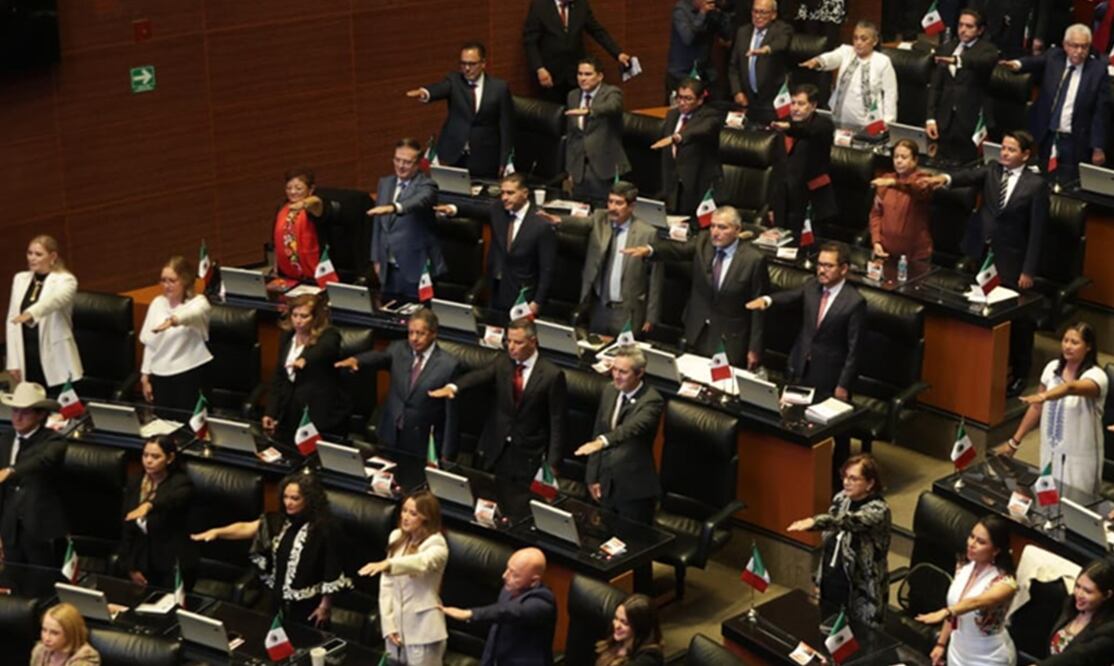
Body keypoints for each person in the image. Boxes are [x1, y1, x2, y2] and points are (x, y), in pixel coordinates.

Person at [928, 130, 1048, 397]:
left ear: (1025, 155)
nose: (1004, 153)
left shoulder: (1036, 185)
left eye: (1011, 150)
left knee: (1017, 322)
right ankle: (986, 367)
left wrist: (1028, 269)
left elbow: (1037, 233)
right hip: (983, 256)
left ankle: (1019, 373)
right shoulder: (992, 170)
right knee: (982, 309)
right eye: (1003, 148)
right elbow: (966, 176)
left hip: (1014, 261)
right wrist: (943, 178)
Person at [191, 473, 350, 628]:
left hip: (309, 606)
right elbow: (246, 528)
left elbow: (332, 569)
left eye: (295, 499)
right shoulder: (278, 521)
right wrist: (218, 532)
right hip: (276, 598)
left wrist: (325, 606)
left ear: (310, 500)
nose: (288, 503)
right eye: (285, 497)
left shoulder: (325, 528)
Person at [623, 206, 767, 368]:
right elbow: (678, 250)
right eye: (713, 226)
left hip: (730, 339)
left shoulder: (754, 260)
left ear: (737, 229)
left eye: (722, 227)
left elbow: (758, 308)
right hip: (697, 330)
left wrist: (754, 348)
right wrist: (650, 250)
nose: (715, 232)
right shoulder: (703, 241)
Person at [429, 318, 567, 483]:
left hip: (527, 453)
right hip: (494, 446)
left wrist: (553, 462)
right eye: (509, 341)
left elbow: (557, 421)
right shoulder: (503, 362)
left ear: (533, 342)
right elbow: (479, 376)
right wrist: (453, 387)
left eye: (518, 342)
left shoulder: (552, 375)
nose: (511, 347)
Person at [993, 322, 1107, 495]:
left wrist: (1044, 396)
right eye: (1065, 340)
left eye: (1074, 342)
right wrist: (1014, 442)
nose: (1068, 346)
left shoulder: (1096, 376)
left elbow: (1072, 388)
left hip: (1080, 458)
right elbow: (1036, 408)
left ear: (1089, 347)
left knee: (1076, 509)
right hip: (1050, 451)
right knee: (1047, 501)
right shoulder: (1052, 368)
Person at [746, 241, 865, 401]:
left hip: (828, 375)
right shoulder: (812, 286)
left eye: (828, 266)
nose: (822, 270)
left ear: (843, 269)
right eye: (820, 265)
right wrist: (767, 300)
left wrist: (843, 385)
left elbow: (854, 350)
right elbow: (790, 296)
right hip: (798, 366)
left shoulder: (854, 302)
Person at [335, 309, 460, 459]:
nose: (414, 338)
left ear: (433, 333)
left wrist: (447, 452)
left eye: (420, 333)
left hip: (422, 440)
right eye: (411, 333)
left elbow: (451, 415)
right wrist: (357, 360)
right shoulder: (398, 349)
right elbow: (379, 357)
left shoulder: (448, 365)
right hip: (390, 432)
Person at [787, 453, 891, 626]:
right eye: (844, 477)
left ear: (870, 483)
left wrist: (815, 521)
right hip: (833, 580)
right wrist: (820, 581)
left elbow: (847, 522)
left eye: (853, 478)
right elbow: (829, 544)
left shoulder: (879, 510)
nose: (846, 482)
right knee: (827, 632)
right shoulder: (841, 498)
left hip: (862, 590)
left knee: (858, 642)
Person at [1004, 24, 1110, 185]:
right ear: (1065, 45)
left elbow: (1100, 112)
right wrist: (1017, 64)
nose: (1079, 51)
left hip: (1074, 140)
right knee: (1035, 181)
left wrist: (1098, 147)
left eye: (1084, 46)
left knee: (1067, 184)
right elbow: (1034, 61)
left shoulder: (1097, 70)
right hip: (1045, 134)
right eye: (1075, 46)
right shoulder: (1054, 57)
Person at [436, 172, 556, 315]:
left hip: (522, 295)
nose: (504, 197)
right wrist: (453, 209)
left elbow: (546, 270)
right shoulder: (498, 209)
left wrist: (537, 302)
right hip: (496, 287)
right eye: (503, 192)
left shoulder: (541, 225)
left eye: (510, 193)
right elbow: (474, 209)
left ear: (524, 193)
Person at [576, 348, 665, 526]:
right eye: (614, 369)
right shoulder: (610, 390)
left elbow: (630, 429)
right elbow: (597, 431)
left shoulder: (652, 401)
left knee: (632, 543)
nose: (616, 376)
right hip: (606, 483)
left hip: (633, 489)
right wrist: (592, 477)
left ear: (639, 373)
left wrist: (603, 441)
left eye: (623, 372)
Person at [359, 491, 448, 666]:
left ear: (427, 518)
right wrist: (388, 624)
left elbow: (421, 562)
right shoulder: (397, 537)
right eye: (404, 510)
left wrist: (389, 564)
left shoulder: (437, 545)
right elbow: (387, 587)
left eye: (413, 513)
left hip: (424, 630)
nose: (405, 517)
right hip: (395, 627)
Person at [916, 515, 1018, 666]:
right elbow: (955, 607)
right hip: (958, 650)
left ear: (996, 550)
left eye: (981, 542)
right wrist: (941, 644)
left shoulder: (1006, 582)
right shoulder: (963, 565)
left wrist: (946, 611)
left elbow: (976, 602)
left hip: (989, 656)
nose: (972, 544)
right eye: (971, 537)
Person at [405, 42, 513, 179]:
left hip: (485, 157)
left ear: (483, 63)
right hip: (454, 155)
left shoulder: (500, 88)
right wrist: (425, 93)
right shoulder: (454, 81)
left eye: (472, 64)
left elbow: (506, 127)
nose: (467, 69)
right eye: (463, 64)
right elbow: (441, 88)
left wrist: (504, 159)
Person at [440, 548, 557, 666]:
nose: (505, 575)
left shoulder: (543, 602)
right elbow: (494, 637)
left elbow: (510, 612)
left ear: (534, 581)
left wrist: (471, 614)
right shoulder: (508, 590)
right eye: (508, 569)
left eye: (514, 574)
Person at [575, 181, 663, 337]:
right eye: (610, 202)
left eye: (619, 203)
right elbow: (577, 223)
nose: (612, 208)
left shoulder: (647, 233)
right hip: (598, 307)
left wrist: (651, 317)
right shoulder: (600, 222)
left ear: (631, 206)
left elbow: (655, 279)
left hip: (627, 311)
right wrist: (558, 221)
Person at [263, 293, 350, 448]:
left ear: (315, 318)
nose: (298, 320)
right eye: (295, 315)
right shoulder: (287, 336)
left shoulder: (329, 335)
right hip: (290, 410)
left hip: (318, 413)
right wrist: (270, 411)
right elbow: (279, 376)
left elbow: (326, 349)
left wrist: (306, 359)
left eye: (304, 316)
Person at [368, 138, 446, 302]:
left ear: (417, 164)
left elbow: (416, 202)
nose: (400, 166)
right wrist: (376, 257)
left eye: (407, 162)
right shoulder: (385, 183)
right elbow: (378, 225)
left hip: (415, 267)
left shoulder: (427, 186)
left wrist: (394, 207)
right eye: (397, 160)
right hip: (387, 267)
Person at [0, 382, 66, 566]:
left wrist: (11, 471)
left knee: (42, 586)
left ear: (41, 414)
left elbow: (41, 461)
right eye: (15, 411)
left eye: (25, 412)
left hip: (41, 530)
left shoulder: (53, 441)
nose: (17, 418)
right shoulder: (5, 440)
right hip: (10, 530)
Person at [118, 436, 195, 592]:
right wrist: (131, 567)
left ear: (170, 458)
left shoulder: (181, 483)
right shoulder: (136, 482)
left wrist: (149, 505)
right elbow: (127, 528)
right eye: (145, 455)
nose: (148, 461)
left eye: (155, 456)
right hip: (141, 558)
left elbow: (170, 500)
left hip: (171, 561)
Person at [6, 235, 82, 391]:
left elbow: (54, 302)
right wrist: (13, 361)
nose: (32, 258)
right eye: (30, 253)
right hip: (27, 354)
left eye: (38, 254)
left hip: (56, 356)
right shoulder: (20, 279)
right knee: (33, 407)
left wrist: (31, 313)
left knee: (60, 409)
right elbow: (12, 320)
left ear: (52, 256)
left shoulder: (66, 280)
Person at [138, 255, 212, 414]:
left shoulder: (199, 302)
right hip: (160, 376)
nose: (166, 285)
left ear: (185, 281)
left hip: (189, 374)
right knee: (163, 424)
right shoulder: (157, 303)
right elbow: (150, 344)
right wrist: (145, 377)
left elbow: (192, 314)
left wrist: (173, 321)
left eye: (172, 281)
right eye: (163, 280)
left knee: (188, 426)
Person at [925, 9, 1001, 164]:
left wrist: (957, 61)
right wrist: (930, 118)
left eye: (969, 26)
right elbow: (936, 87)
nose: (963, 30)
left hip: (971, 122)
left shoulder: (988, 50)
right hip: (944, 120)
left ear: (980, 30)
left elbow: (981, 63)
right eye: (960, 25)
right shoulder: (947, 47)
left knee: (968, 168)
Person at [522, 0, 634, 104]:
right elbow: (530, 41)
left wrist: (618, 53)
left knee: (576, 112)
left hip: (576, 74)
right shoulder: (540, 6)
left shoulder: (581, 4)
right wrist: (539, 68)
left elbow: (597, 31)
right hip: (550, 74)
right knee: (552, 116)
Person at [800, 21, 897, 131]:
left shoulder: (883, 61)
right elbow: (832, 57)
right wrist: (818, 61)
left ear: (874, 41)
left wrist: (888, 121)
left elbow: (890, 93)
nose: (858, 42)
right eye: (855, 38)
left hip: (870, 123)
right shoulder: (846, 51)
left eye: (863, 39)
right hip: (840, 118)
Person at [769, 83, 836, 236]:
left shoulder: (822, 125)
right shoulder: (784, 125)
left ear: (812, 106)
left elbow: (805, 131)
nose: (795, 108)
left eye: (801, 104)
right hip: (784, 199)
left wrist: (788, 128)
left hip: (810, 200)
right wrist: (772, 205)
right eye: (793, 103)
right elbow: (778, 167)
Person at [564, 56, 630, 205]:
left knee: (603, 217)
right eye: (580, 74)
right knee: (579, 212)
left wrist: (589, 111)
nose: (582, 78)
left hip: (604, 169)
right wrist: (570, 169)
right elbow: (572, 135)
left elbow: (613, 107)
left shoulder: (612, 93)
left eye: (588, 74)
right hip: (579, 169)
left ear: (599, 76)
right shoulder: (573, 96)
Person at [655, 77, 724, 217]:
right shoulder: (672, 114)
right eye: (679, 97)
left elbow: (700, 130)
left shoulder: (710, 116)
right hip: (673, 185)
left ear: (699, 100)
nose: (681, 102)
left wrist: (678, 137)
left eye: (688, 99)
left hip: (698, 185)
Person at [869, 140, 940, 262]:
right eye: (896, 156)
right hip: (885, 251)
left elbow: (917, 188)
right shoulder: (886, 179)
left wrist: (894, 183)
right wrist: (876, 241)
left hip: (916, 255)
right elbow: (876, 214)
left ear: (915, 160)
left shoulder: (924, 179)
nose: (899, 161)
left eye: (904, 157)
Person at [728, 0, 794, 124]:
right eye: (755, 11)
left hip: (773, 100)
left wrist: (766, 49)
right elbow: (733, 66)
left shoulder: (782, 29)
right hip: (747, 99)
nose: (758, 16)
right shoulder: (743, 32)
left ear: (773, 15)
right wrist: (737, 91)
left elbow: (782, 43)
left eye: (763, 12)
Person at [1043, 558, 1114, 665]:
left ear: (1107, 595)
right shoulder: (1070, 604)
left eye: (1088, 591)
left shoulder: (1109, 629)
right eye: (1077, 586)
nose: (1079, 594)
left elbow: (1079, 656)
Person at [667, 0, 734, 101]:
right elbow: (688, 38)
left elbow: (726, 36)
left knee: (716, 104)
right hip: (681, 74)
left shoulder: (711, 10)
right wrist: (702, 14)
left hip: (704, 72)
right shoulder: (681, 11)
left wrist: (722, 13)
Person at [273, 167, 328, 282]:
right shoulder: (282, 207)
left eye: (298, 188)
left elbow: (317, 201)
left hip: (313, 271)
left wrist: (303, 203)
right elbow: (276, 242)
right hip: (287, 271)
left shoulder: (313, 207)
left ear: (311, 189)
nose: (292, 192)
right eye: (289, 188)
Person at [594, 594, 664, 666]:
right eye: (616, 618)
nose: (616, 625)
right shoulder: (618, 640)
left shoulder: (649, 659)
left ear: (640, 626)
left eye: (625, 623)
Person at [30, 603, 101, 666]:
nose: (46, 638)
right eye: (44, 630)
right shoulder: (40, 650)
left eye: (54, 633)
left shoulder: (86, 658)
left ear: (70, 634)